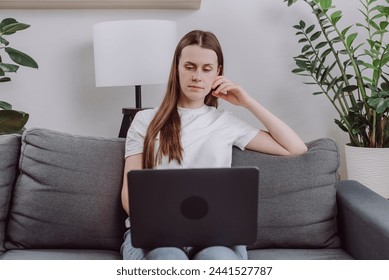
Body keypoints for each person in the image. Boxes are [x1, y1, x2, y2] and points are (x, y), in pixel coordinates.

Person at [120, 30, 307, 260]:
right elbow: (130, 193)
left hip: (216, 236)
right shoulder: (145, 120)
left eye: (206, 69)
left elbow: (295, 148)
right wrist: (159, 224)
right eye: (189, 67)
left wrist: (247, 102)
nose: (197, 76)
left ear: (218, 73)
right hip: (156, 236)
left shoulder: (225, 122)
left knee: (217, 261)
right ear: (176, 68)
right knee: (168, 260)